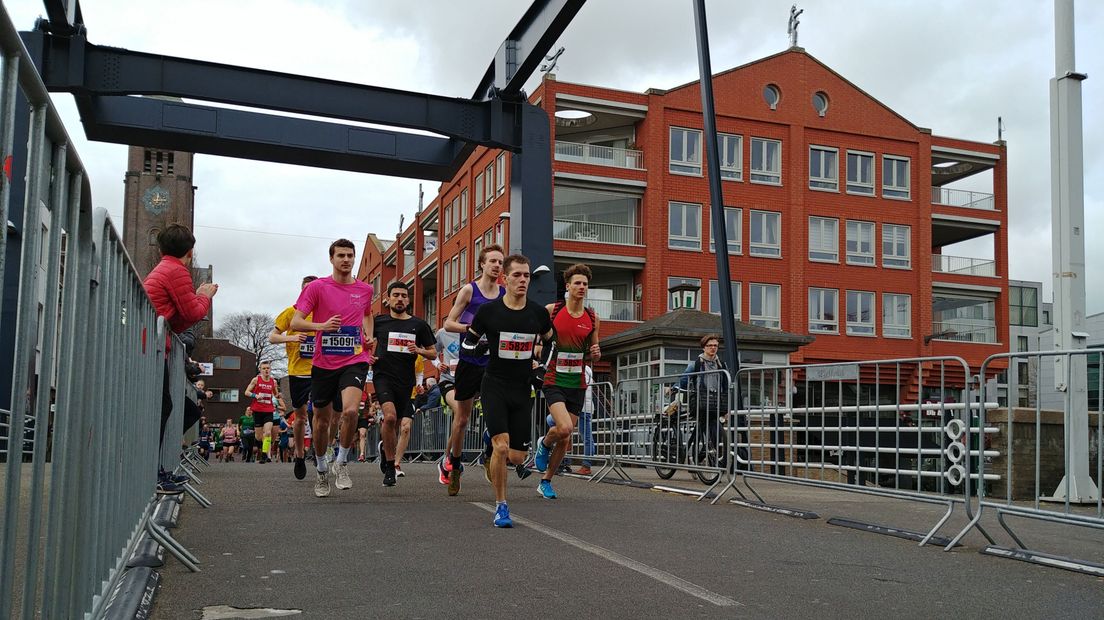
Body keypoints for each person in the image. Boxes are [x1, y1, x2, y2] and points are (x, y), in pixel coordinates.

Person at [464, 254, 554, 527]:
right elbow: (468, 344)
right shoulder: (489, 312)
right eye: (517, 275)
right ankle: (501, 506)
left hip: (521, 389)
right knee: (501, 449)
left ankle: (490, 433)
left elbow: (552, 344)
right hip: (494, 385)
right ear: (505, 278)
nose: (523, 280)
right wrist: (478, 349)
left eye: (527, 275)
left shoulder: (537, 314)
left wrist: (541, 371)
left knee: (517, 457)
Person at [290, 239, 375, 498]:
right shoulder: (317, 287)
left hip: (354, 359)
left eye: (350, 255)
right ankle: (322, 468)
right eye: (341, 255)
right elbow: (296, 321)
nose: (346, 260)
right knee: (321, 422)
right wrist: (321, 327)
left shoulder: (365, 289)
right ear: (331, 259)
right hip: (323, 362)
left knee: (350, 412)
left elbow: (367, 315)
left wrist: (368, 336)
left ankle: (342, 462)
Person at [143, 224, 217, 492]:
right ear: (190, 251)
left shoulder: (163, 268)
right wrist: (204, 296)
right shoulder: (176, 271)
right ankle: (152, 474)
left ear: (161, 248)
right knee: (161, 409)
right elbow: (192, 314)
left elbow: (181, 316)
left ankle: (156, 470)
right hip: (151, 347)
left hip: (151, 345)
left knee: (166, 408)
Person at [440, 244, 505, 496]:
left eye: (500, 262)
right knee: (463, 419)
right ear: (482, 264)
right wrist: (472, 329)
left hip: (494, 362)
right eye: (492, 261)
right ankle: (454, 466)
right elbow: (448, 323)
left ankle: (489, 454)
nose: (497, 265)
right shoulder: (470, 290)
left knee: (495, 415)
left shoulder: (503, 293)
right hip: (469, 361)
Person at [533, 264, 601, 499]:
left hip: (577, 383)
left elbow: (592, 351)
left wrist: (596, 353)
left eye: (585, 284)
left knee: (565, 436)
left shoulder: (592, 317)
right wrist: (539, 353)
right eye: (577, 283)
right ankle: (544, 443)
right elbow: (537, 342)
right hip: (554, 378)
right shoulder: (552, 311)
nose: (582, 287)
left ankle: (546, 481)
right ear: (568, 286)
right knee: (565, 428)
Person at [372, 281, 436, 486]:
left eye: (403, 295)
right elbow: (363, 342)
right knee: (389, 417)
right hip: (383, 377)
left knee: (397, 424)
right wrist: (367, 357)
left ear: (408, 300)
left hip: (405, 381)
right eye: (396, 295)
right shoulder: (378, 322)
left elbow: (433, 352)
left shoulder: (419, 325)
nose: (400, 299)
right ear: (388, 299)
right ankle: (391, 467)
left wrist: (419, 351)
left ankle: (385, 451)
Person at [270, 275, 319, 480]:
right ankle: (299, 454)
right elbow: (273, 337)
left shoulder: (323, 312)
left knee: (320, 413)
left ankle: (319, 450)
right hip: (297, 371)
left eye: (313, 289)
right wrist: (291, 337)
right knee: (300, 417)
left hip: (320, 369)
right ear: (301, 291)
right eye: (306, 289)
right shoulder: (291, 312)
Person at [676, 334, 730, 449]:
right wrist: (673, 389)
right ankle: (699, 451)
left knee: (717, 434)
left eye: (715, 345)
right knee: (706, 427)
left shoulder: (721, 365)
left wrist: (728, 406)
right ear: (704, 347)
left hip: (717, 403)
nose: (713, 348)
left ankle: (707, 452)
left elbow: (726, 386)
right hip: (701, 402)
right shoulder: (696, 364)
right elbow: (684, 379)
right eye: (710, 345)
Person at [244, 361, 285, 464]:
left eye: (268, 368)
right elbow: (246, 392)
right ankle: (262, 449)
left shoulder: (273, 381)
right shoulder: (256, 379)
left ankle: (264, 455)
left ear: (270, 369)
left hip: (268, 411)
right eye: (264, 368)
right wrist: (255, 396)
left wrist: (278, 396)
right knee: (258, 436)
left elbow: (275, 394)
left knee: (267, 432)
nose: (266, 370)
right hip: (257, 411)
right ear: (260, 370)